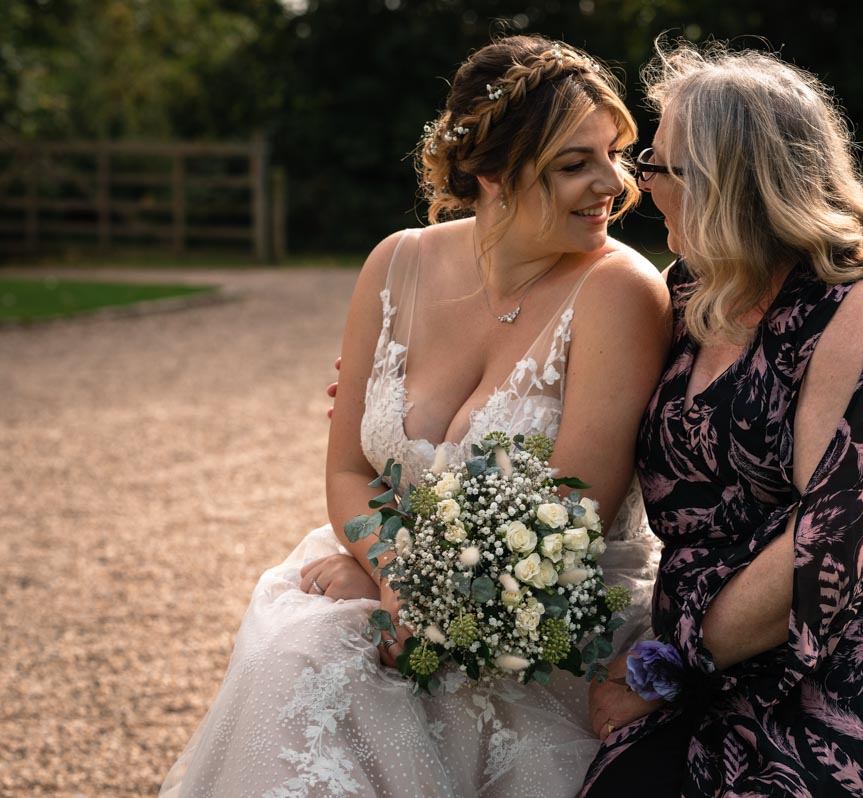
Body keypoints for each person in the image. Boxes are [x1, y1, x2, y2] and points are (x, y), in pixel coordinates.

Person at [159, 35, 670, 798]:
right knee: (296, 659)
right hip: (395, 580)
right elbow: (346, 469)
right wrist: (393, 576)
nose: (613, 185)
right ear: (491, 172)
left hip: (548, 619)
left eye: (614, 154)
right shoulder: (395, 263)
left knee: (339, 682)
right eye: (575, 163)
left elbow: (575, 512)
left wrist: (425, 606)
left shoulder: (619, 290)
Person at [582, 40, 863, 797]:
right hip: (724, 664)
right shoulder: (692, 289)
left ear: (721, 181)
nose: (641, 185)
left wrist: (661, 670)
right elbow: (591, 400)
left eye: (654, 165)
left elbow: (824, 553)